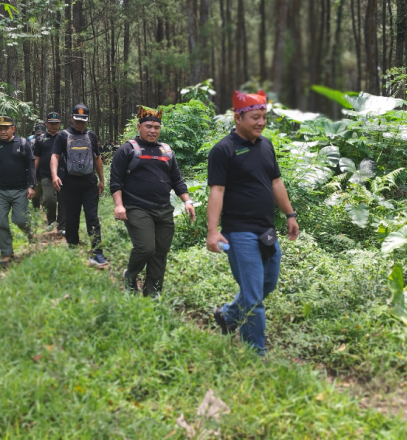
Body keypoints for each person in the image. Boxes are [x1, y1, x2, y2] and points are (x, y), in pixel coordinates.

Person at [206, 90, 300, 355]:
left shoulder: (266, 145)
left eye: (264, 117)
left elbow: (276, 182)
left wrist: (290, 215)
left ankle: (228, 316)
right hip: (239, 232)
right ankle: (254, 354)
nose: (261, 123)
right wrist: (213, 232)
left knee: (267, 283)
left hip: (266, 230)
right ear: (238, 117)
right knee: (253, 296)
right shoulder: (223, 150)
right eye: (255, 117)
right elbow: (217, 191)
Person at [110, 106, 195, 297]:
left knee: (160, 253)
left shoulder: (166, 151)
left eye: (156, 127)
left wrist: (187, 202)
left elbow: (177, 181)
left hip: (164, 209)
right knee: (146, 248)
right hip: (136, 207)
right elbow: (115, 180)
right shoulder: (127, 150)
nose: (153, 130)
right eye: (148, 126)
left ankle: (153, 294)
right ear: (139, 127)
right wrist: (118, 205)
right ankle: (130, 276)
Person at [50, 103, 109, 266]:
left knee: (92, 218)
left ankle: (97, 252)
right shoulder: (63, 135)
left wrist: (101, 179)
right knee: (71, 218)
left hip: (89, 184)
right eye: (77, 119)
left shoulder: (91, 136)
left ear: (88, 120)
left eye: (83, 120)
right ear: (71, 118)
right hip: (69, 183)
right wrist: (55, 175)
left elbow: (97, 158)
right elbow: (55, 156)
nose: (79, 123)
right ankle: (72, 247)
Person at [0, 116, 36, 265]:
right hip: (1, 191)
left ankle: (30, 232)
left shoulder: (23, 144)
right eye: (0, 128)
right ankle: (7, 253)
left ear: (13, 128)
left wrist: (32, 186)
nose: (3, 131)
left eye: (6, 128)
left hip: (20, 190)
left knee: (20, 220)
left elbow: (31, 165)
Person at [33, 112, 65, 234]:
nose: (53, 126)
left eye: (56, 123)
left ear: (59, 124)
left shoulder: (64, 137)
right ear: (46, 123)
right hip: (46, 175)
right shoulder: (41, 139)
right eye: (51, 123)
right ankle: (51, 221)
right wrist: (33, 175)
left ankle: (62, 226)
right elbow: (36, 158)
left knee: (63, 200)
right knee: (49, 199)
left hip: (63, 174)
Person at [30, 122, 47, 210]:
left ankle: (46, 212)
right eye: (37, 134)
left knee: (47, 196)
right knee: (36, 195)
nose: (39, 136)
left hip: (46, 172)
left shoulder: (49, 141)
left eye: (41, 134)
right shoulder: (31, 143)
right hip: (36, 172)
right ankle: (36, 211)